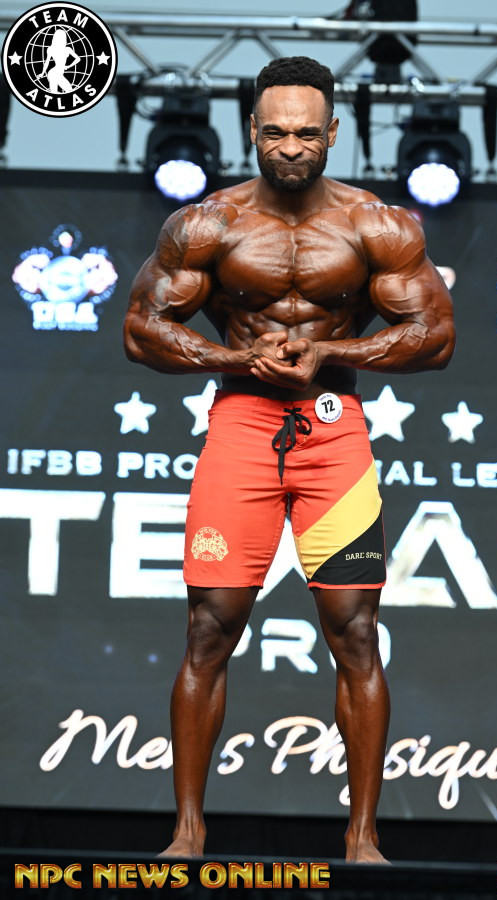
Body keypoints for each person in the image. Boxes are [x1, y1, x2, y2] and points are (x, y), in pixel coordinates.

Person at [124, 56, 455, 864]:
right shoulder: (208, 224)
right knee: (209, 627)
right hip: (242, 424)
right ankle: (188, 833)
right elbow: (141, 331)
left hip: (333, 431)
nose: (291, 147)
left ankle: (362, 839)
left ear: (333, 132)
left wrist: (334, 350)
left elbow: (436, 337)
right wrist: (236, 360)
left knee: (356, 632)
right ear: (252, 130)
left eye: (306, 132)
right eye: (275, 132)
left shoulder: (377, 225)